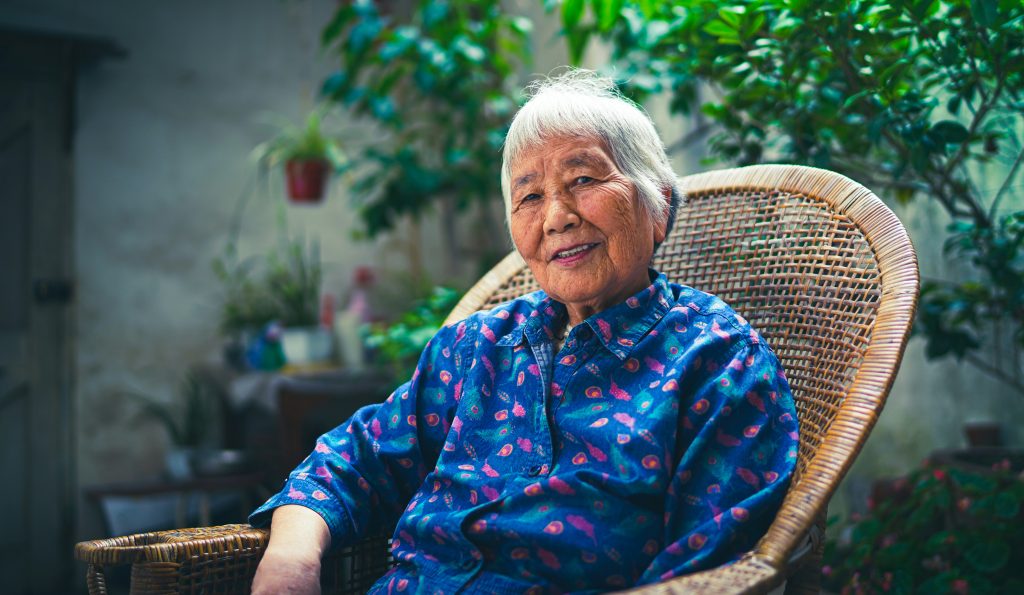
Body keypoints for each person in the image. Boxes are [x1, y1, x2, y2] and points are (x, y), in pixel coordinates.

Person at [250, 70, 799, 594]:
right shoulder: (475, 348)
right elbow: (355, 459)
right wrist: (290, 560)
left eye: (583, 179)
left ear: (657, 205)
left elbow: (707, 568)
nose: (556, 216)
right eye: (530, 196)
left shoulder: (716, 359)